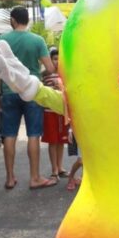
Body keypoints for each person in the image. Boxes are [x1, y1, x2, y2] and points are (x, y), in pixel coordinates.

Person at [0, 7, 55, 190]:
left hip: (9, 91)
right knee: (33, 134)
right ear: (28, 20)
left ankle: (10, 177)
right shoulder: (37, 40)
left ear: (12, 20)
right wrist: (37, 75)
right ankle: (35, 177)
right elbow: (50, 68)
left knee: (9, 134)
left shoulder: (0, 39)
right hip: (32, 91)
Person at [40, 47, 68, 184]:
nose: (57, 62)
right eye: (55, 59)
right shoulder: (45, 75)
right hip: (49, 112)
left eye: (59, 59)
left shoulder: (64, 75)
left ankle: (60, 167)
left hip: (62, 112)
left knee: (61, 141)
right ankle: (54, 170)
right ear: (50, 60)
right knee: (53, 141)